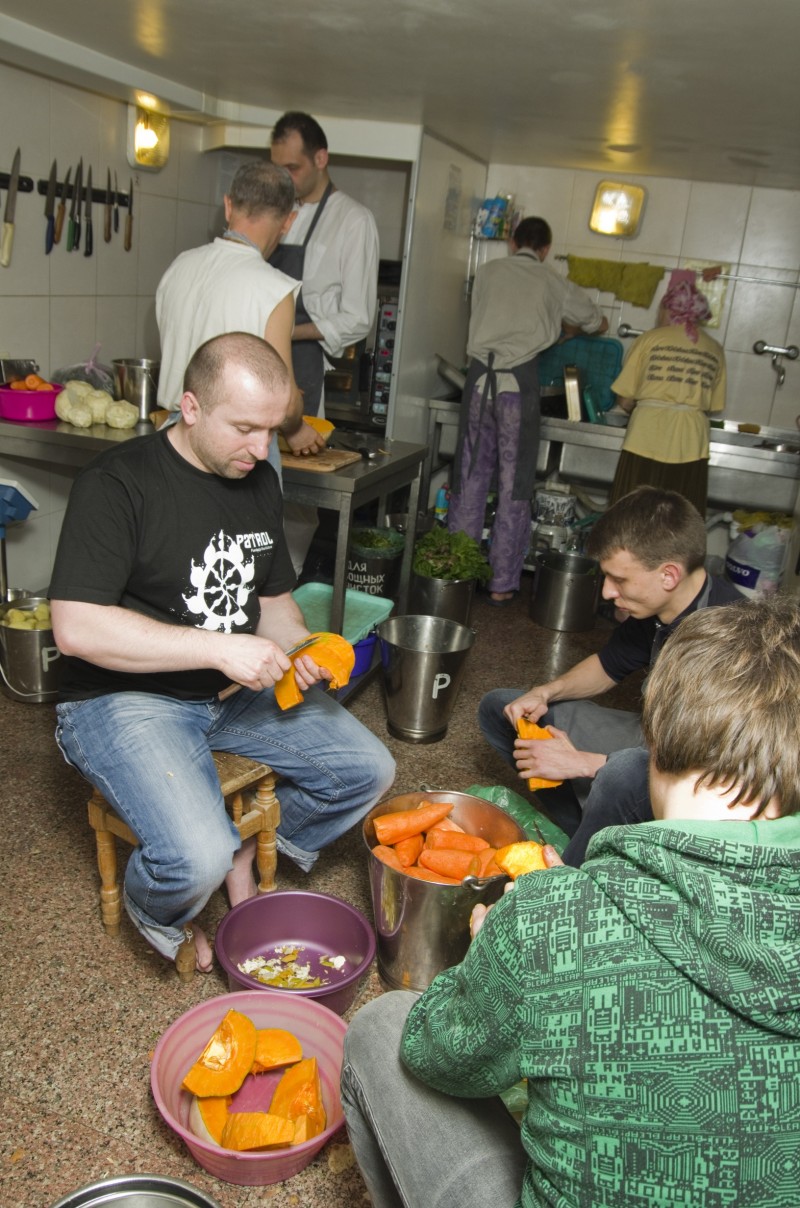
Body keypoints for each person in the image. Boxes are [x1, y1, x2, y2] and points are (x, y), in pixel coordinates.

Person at [341, 595, 800, 1208]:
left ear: (653, 741)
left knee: (383, 1027)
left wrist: (505, 950)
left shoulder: (553, 920)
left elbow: (438, 1056)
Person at [50, 333, 395, 973]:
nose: (261, 449)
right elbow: (74, 628)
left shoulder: (257, 478)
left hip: (228, 692)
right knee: (193, 859)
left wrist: (301, 648)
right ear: (190, 407)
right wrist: (220, 649)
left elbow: (275, 604)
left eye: (270, 429)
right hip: (122, 699)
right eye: (244, 429)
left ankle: (244, 847)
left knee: (368, 771)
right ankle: (157, 909)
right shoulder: (118, 483)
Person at [478, 486, 742, 834]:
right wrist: (545, 692)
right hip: (652, 739)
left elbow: (710, 775)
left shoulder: (732, 642)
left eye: (619, 580)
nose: (607, 592)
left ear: (669, 575)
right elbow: (608, 665)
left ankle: (594, 849)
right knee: (502, 709)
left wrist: (582, 764)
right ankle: (584, 831)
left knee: (619, 776)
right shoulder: (660, 606)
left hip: (702, 777)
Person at [447, 216, 608, 606]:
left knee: (469, 478)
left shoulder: (487, 272)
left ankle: (456, 577)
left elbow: (495, 314)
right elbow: (596, 321)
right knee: (514, 485)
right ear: (545, 249)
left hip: (478, 382)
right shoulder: (553, 280)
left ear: (512, 242)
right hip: (517, 387)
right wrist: (573, 328)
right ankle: (501, 584)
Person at [155, 159, 327, 481]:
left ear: (228, 205)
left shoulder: (178, 267)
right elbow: (288, 400)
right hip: (237, 451)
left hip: (174, 440)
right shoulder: (274, 289)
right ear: (289, 221)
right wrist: (296, 430)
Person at [270, 111, 380, 572]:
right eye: (278, 168)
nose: (284, 178)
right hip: (256, 359)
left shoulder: (353, 221)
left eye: (292, 168)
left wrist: (283, 330)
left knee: (295, 493)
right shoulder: (275, 211)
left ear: (321, 158)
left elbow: (357, 318)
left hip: (303, 363)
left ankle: (285, 581)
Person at [608, 274, 726, 514]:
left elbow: (625, 400)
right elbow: (714, 405)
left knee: (631, 513)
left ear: (668, 308)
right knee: (681, 517)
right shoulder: (715, 349)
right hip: (691, 443)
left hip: (645, 436)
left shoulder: (650, 339)